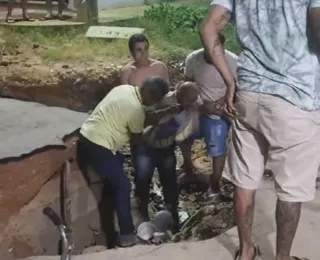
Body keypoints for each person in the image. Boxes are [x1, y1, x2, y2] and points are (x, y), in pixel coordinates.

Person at [201, 1, 320, 260]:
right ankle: (282, 257)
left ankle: (245, 251)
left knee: (245, 181)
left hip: (248, 94)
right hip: (295, 100)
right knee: (291, 189)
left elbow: (209, 26)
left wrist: (229, 80)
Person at [77, 77, 169, 247]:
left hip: (86, 135)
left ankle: (117, 207)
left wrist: (156, 116)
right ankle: (127, 235)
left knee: (118, 161)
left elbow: (127, 116)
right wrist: (153, 129)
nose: (153, 104)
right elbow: (137, 141)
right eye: (154, 100)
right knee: (123, 186)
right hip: (99, 146)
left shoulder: (123, 89)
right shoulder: (136, 110)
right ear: (150, 94)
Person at [121, 33, 196, 178]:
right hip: (140, 118)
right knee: (141, 166)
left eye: (146, 49)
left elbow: (167, 94)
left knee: (166, 160)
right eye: (139, 50)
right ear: (131, 52)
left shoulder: (159, 67)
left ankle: (169, 189)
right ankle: (142, 191)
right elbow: (126, 100)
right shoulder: (127, 72)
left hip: (163, 116)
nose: (143, 54)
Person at [133, 82, 201, 233]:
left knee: (170, 183)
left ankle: (174, 220)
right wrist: (166, 112)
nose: (193, 103)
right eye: (190, 100)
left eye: (194, 100)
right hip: (147, 148)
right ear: (179, 95)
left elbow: (184, 138)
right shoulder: (161, 99)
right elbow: (144, 119)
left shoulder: (190, 109)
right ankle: (142, 219)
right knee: (142, 182)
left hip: (167, 148)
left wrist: (187, 162)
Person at [180, 34, 237, 204]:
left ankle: (214, 187)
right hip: (197, 107)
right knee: (178, 130)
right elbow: (187, 86)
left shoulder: (233, 62)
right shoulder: (193, 59)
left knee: (216, 139)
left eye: (219, 49)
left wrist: (220, 104)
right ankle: (188, 168)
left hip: (219, 111)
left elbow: (239, 89)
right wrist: (199, 105)